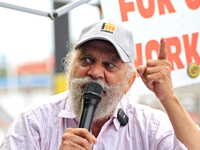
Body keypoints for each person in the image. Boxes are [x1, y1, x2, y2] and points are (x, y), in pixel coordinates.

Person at [1, 19, 200, 150]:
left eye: (109, 64)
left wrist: (168, 98)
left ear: (128, 83)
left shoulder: (150, 126)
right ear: (71, 67)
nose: (95, 73)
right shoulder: (34, 122)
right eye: (86, 60)